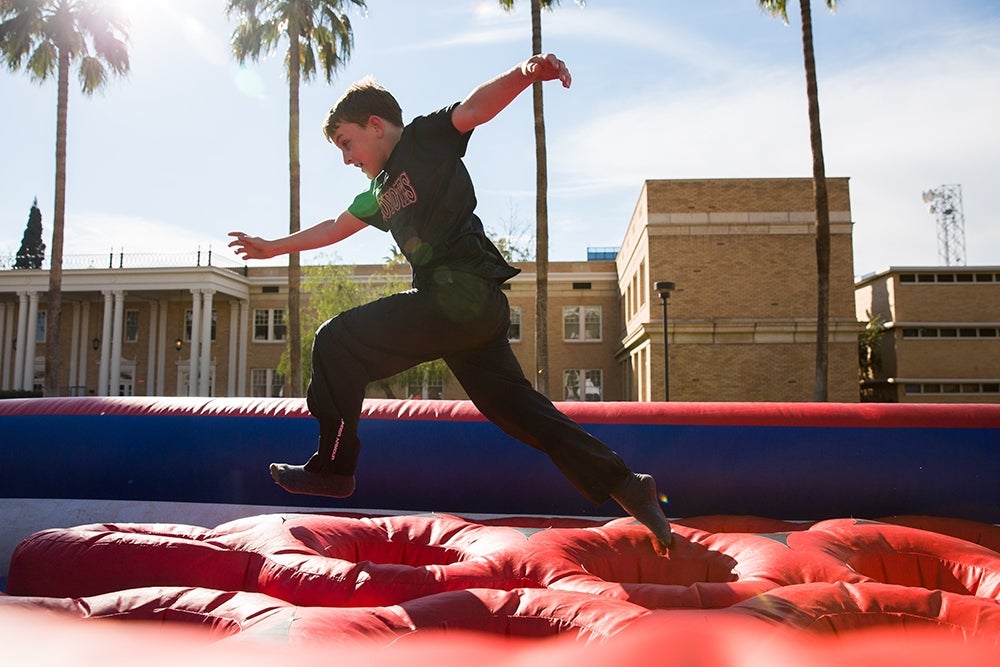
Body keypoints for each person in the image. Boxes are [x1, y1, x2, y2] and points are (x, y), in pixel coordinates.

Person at [228, 54, 673, 552]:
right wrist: (273, 247)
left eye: (347, 144)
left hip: (458, 293)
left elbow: (474, 110)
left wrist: (525, 75)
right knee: (519, 412)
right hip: (468, 314)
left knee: (336, 340)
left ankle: (334, 467)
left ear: (376, 126)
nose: (347, 159)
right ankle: (628, 484)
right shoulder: (378, 191)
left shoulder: (422, 140)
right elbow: (336, 227)